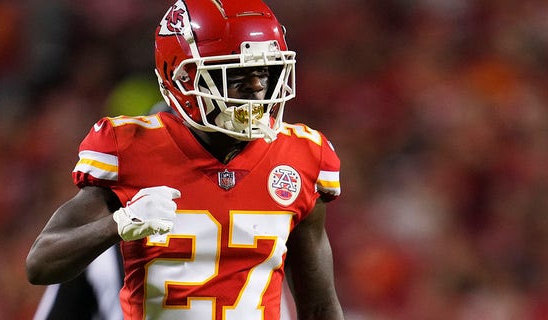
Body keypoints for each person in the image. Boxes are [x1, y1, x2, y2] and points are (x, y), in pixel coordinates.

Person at [26, 0, 345, 319]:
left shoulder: (302, 156)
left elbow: (318, 306)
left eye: (266, 72)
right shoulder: (131, 149)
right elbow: (40, 264)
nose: (258, 90)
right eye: (236, 76)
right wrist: (120, 223)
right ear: (183, 79)